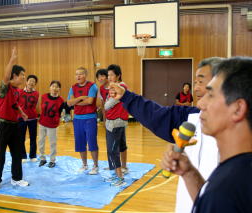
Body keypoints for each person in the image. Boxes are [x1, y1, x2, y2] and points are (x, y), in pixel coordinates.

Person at [108, 57, 223, 213]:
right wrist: (127, 97)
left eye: (201, 82)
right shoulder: (192, 118)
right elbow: (157, 116)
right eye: (195, 82)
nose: (196, 89)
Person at [161, 57, 252, 212]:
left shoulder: (230, 188)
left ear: (238, 108)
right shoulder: (235, 172)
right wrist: (189, 173)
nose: (200, 104)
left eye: (211, 95)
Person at [0, 48, 29, 190]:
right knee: (0, 154)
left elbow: (14, 104)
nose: (24, 77)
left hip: (15, 125)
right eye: (22, 75)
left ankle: (16, 178)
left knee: (17, 153)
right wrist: (12, 58)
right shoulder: (5, 87)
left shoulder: (16, 91)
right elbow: (6, 76)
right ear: (14, 75)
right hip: (3, 124)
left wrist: (22, 113)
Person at [67, 67, 99, 175]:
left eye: (80, 74)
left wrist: (75, 101)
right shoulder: (73, 87)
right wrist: (80, 98)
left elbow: (90, 101)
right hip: (77, 119)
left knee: (92, 142)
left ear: (85, 75)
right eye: (76, 74)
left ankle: (95, 165)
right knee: (80, 143)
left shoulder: (92, 86)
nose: (78, 76)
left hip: (90, 118)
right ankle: (84, 164)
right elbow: (69, 103)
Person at [104, 64, 129, 186]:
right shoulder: (112, 87)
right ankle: (119, 171)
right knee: (119, 146)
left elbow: (107, 105)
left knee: (113, 150)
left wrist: (107, 103)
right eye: (108, 75)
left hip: (116, 122)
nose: (109, 77)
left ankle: (120, 178)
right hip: (113, 122)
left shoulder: (120, 87)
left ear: (118, 75)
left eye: (111, 75)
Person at [38, 80, 65, 168]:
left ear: (59, 89)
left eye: (57, 86)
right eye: (53, 86)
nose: (54, 88)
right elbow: (41, 109)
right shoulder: (44, 96)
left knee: (52, 143)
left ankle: (52, 160)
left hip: (52, 125)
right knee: (41, 141)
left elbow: (61, 113)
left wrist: (58, 120)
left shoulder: (61, 100)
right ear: (50, 87)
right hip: (42, 123)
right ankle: (42, 158)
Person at [18, 75, 39, 163]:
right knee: (21, 138)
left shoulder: (36, 93)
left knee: (33, 137)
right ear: (26, 82)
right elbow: (17, 104)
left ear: (35, 84)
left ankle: (32, 155)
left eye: (33, 81)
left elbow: (36, 106)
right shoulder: (19, 92)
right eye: (30, 80)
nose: (31, 82)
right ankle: (23, 156)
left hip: (33, 119)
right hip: (21, 118)